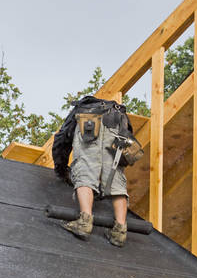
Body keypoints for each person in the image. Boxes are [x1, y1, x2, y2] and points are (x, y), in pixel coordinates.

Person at [51, 96, 140, 247]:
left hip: (89, 120)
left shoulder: (80, 111)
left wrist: (61, 170)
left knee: (85, 165)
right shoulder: (118, 112)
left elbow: (61, 139)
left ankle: (84, 222)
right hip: (117, 121)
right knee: (115, 173)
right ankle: (120, 231)